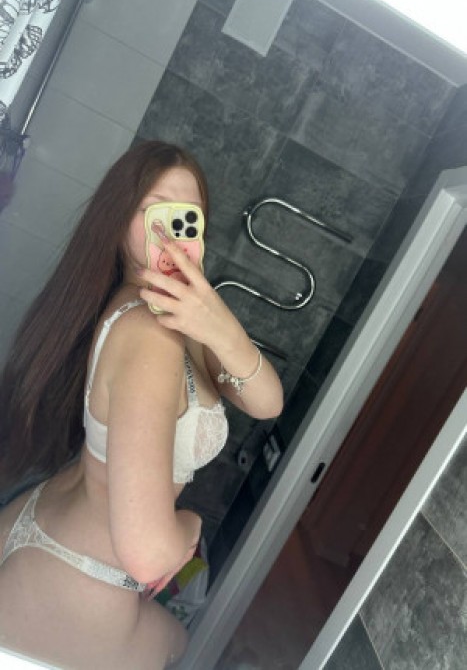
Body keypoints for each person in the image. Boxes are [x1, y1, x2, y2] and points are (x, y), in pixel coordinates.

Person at [0, 141, 283, 670]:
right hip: (78, 574)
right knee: (183, 646)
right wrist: (191, 526)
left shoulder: (181, 314)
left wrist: (221, 326)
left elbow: (267, 402)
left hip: (55, 532)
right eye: (155, 213)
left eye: (187, 217)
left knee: (181, 632)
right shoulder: (150, 332)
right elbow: (151, 554)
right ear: (118, 223)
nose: (171, 233)